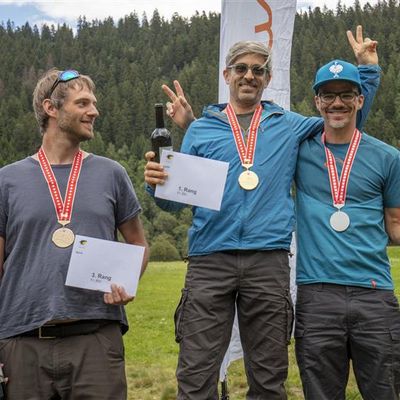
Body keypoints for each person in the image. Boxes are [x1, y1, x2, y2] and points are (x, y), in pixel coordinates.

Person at [144, 26, 380, 399]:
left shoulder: (289, 125)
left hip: (267, 262)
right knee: (195, 376)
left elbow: (344, 121)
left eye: (258, 70)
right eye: (241, 68)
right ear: (227, 75)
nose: (249, 76)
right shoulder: (201, 130)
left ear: (268, 79)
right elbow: (173, 201)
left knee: (269, 379)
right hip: (209, 261)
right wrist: (157, 183)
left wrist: (367, 71)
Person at [0, 68, 149, 399]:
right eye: (83, 103)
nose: (94, 111)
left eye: (93, 103)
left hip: (96, 339)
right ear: (51, 108)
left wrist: (127, 282)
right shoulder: (6, 181)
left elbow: (138, 243)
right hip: (22, 342)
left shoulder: (112, 173)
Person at [294, 60, 400, 399]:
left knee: (385, 392)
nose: (337, 103)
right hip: (317, 293)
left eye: (346, 95)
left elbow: (395, 224)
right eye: (328, 95)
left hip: (374, 294)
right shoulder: (298, 152)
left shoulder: (388, 157)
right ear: (317, 102)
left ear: (360, 100)